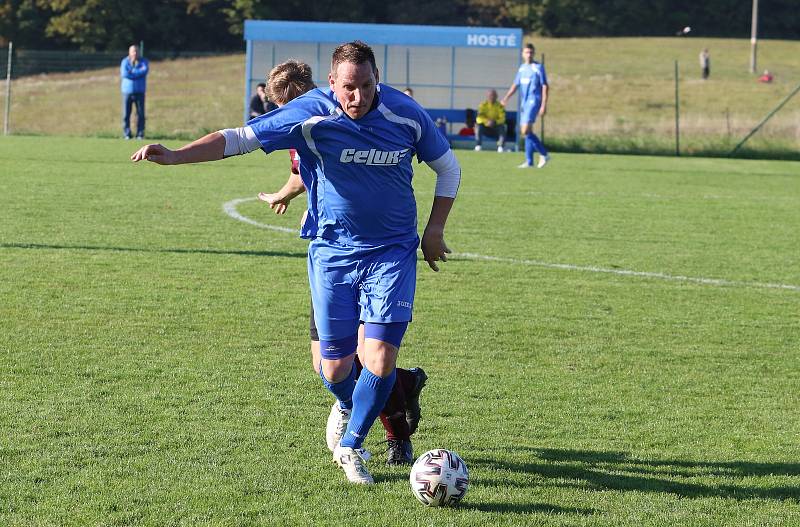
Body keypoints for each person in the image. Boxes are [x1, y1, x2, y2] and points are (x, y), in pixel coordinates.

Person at [130, 41, 460, 485]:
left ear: (377, 78)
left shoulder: (406, 114)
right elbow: (239, 137)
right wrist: (175, 155)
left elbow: (449, 168)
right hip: (332, 255)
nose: (358, 97)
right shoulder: (310, 112)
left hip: (391, 254)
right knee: (334, 371)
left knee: (378, 359)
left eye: (366, 85)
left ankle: (351, 447)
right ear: (331, 83)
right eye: (349, 88)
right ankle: (352, 402)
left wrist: (434, 230)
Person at [256, 59, 429, 466]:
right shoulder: (301, 131)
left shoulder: (326, 119)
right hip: (328, 252)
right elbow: (303, 174)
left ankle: (397, 438)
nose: (288, 115)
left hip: (372, 249)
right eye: (282, 107)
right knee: (328, 365)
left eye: (289, 105)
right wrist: (286, 193)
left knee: (371, 358)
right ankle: (402, 384)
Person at [501, 43, 550, 168]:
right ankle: (529, 161)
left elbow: (545, 86)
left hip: (534, 101)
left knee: (525, 130)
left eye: (531, 52)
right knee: (527, 132)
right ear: (523, 54)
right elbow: (515, 85)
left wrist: (544, 104)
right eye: (527, 52)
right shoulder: (522, 68)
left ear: (534, 54)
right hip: (525, 102)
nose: (529, 55)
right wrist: (506, 98)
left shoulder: (538, 67)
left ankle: (544, 154)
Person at [120, 44, 149, 140]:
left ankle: (140, 134)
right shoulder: (125, 62)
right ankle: (127, 133)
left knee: (140, 114)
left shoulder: (144, 61)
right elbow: (125, 74)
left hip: (140, 91)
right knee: (126, 114)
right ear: (129, 52)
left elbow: (144, 71)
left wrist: (132, 72)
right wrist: (136, 72)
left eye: (136, 51)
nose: (135, 53)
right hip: (127, 92)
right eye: (133, 51)